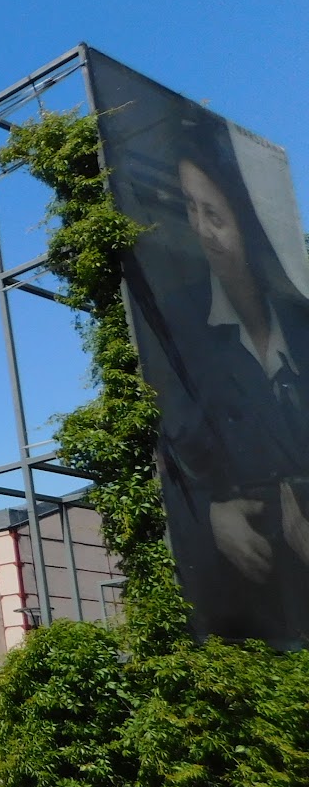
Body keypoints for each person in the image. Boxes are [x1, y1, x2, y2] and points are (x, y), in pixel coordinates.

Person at [135, 119, 309, 646]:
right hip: (248, 615)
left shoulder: (298, 320)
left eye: (215, 213)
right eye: (191, 209)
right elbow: (166, 458)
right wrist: (210, 514)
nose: (202, 229)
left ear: (251, 223)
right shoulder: (178, 324)